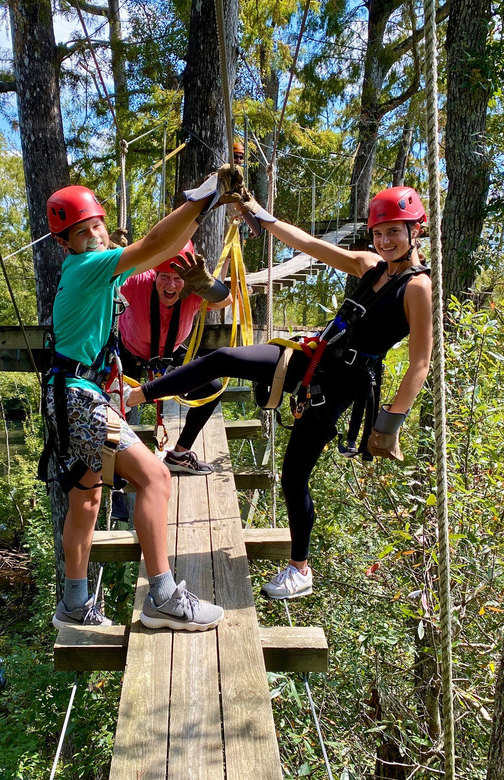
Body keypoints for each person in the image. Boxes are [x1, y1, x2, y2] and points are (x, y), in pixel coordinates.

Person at [126, 186, 433, 600]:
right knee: (225, 358)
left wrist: (389, 423)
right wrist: (258, 212)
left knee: (293, 477)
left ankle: (300, 569)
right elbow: (308, 243)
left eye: (394, 232)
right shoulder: (370, 266)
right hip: (313, 357)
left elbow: (420, 363)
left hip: (340, 385)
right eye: (380, 233)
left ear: (415, 231)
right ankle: (134, 397)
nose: (385, 241)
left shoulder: (417, 288)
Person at [42, 174, 238, 631]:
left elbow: (162, 249)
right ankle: (164, 597)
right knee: (155, 479)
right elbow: (154, 242)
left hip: (68, 395)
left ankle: (73, 603)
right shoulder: (90, 267)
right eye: (81, 232)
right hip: (78, 400)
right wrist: (203, 199)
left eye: (97, 226)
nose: (93, 236)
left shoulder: (91, 270)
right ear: (66, 243)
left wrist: (197, 215)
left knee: (86, 499)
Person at [116, 240, 233, 475]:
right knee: (115, 409)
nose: (171, 285)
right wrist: (117, 256)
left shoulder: (193, 289)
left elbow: (225, 301)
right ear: (154, 274)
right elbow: (106, 278)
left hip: (172, 353)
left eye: (177, 279)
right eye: (164, 277)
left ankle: (179, 454)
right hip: (130, 352)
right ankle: (118, 470)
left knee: (211, 387)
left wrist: (206, 283)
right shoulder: (138, 281)